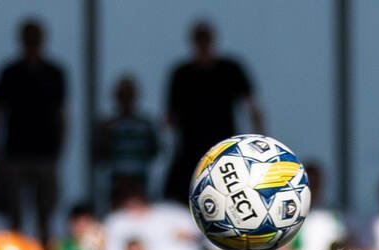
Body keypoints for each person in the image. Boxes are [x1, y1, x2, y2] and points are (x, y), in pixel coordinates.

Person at [162, 22, 262, 204]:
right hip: (190, 153)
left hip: (225, 151)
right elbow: (170, 117)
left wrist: (258, 143)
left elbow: (251, 107)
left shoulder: (230, 69)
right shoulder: (182, 74)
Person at [0, 19, 68, 243]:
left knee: (45, 215)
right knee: (14, 213)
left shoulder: (54, 73)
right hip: (16, 151)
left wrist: (60, 150)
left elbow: (62, 114)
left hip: (45, 151)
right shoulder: (10, 72)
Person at [93, 76, 160, 207]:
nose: (126, 100)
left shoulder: (145, 125)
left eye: (129, 95)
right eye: (123, 96)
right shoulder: (108, 126)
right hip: (116, 181)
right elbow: (99, 156)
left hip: (139, 180)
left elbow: (154, 151)